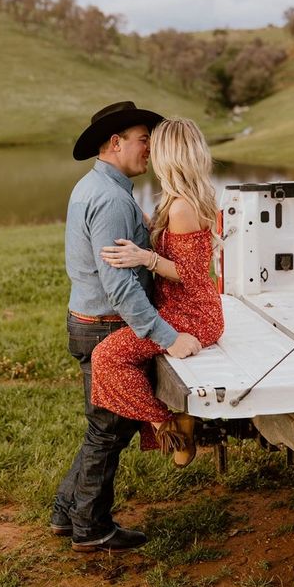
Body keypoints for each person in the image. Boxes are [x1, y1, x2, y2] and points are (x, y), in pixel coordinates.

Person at [51, 101, 201, 553]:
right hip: (105, 326)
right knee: (109, 430)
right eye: (142, 139)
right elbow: (121, 288)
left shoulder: (96, 186)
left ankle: (66, 511)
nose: (150, 148)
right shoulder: (113, 199)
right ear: (115, 143)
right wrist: (168, 337)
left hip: (89, 321)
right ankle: (91, 528)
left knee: (104, 427)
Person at [91, 118, 224, 467]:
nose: (149, 150)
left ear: (170, 155)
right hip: (178, 308)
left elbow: (191, 274)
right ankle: (176, 424)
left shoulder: (182, 207)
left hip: (191, 314)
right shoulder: (176, 201)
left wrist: (145, 257)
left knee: (106, 358)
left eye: (155, 145)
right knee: (115, 356)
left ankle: (170, 428)